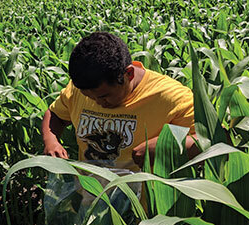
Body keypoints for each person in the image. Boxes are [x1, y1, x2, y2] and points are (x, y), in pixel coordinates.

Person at [42, 32, 197, 170]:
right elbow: (55, 114)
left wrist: (168, 146)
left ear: (128, 74)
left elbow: (213, 140)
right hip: (93, 196)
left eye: (104, 96)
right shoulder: (83, 88)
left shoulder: (171, 97)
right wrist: (51, 141)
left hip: (146, 200)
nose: (97, 103)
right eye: (89, 97)